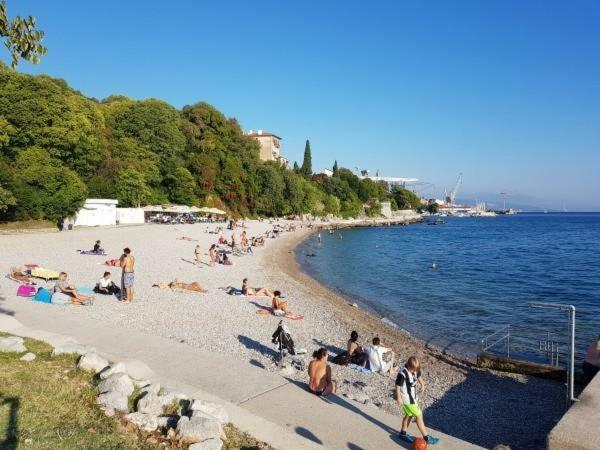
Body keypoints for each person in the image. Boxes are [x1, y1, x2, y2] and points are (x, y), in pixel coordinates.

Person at [396, 356, 439, 445]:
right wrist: (399, 397)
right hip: (407, 400)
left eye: (416, 370)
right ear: (408, 366)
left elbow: (419, 378)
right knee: (419, 415)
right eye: (413, 370)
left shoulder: (415, 370)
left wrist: (423, 385)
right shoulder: (402, 374)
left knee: (409, 415)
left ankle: (402, 433)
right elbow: (398, 386)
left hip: (414, 398)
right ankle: (426, 437)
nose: (414, 371)